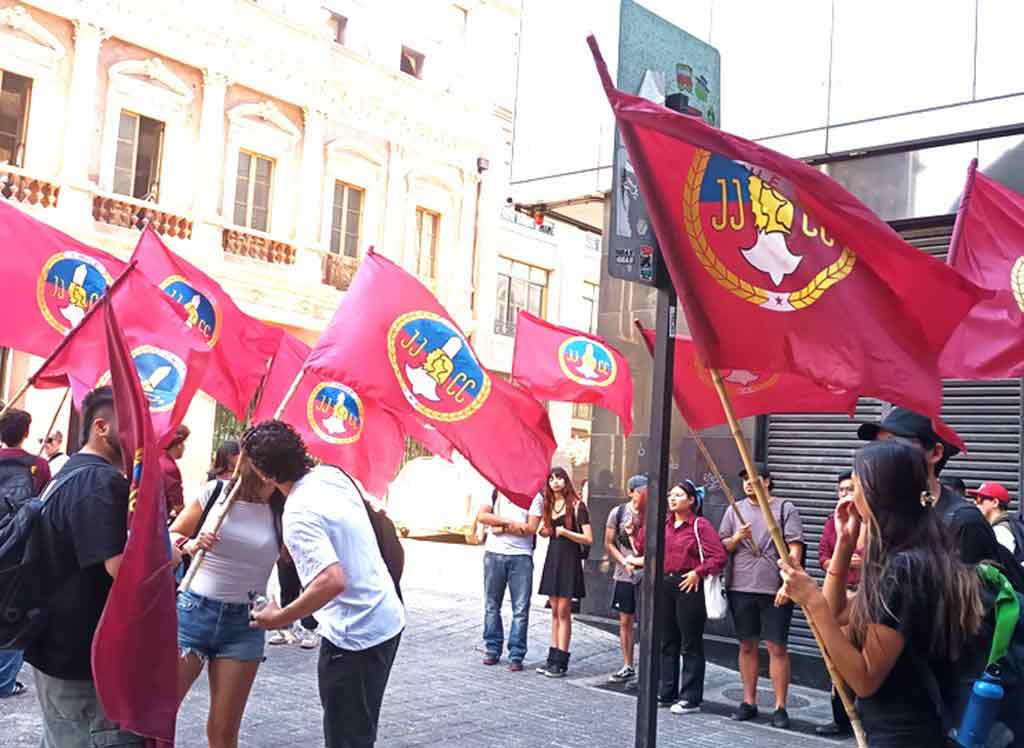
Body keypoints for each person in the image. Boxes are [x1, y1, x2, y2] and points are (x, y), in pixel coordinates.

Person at [780, 439, 984, 748]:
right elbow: (838, 614)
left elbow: (864, 679)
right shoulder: (905, 555)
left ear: (879, 493)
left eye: (856, 484)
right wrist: (845, 545)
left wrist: (810, 600)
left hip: (906, 734)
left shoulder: (904, 569)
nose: (851, 494)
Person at [246, 421, 404, 748]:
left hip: (354, 636)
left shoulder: (299, 513)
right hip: (385, 617)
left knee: (346, 737)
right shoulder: (331, 475)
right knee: (359, 727)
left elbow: (331, 581)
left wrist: (280, 617)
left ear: (264, 475)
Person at [24, 386, 143, 746]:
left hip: (58, 648)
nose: (139, 436)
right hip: (83, 659)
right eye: (132, 425)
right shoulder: (99, 481)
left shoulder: (69, 472)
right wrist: (167, 555)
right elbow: (120, 567)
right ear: (101, 427)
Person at [169, 461, 285, 748]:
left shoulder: (284, 508)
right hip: (193, 613)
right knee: (161, 713)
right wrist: (191, 543)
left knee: (223, 731)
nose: (270, 480)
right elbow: (171, 535)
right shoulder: (216, 492)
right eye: (265, 468)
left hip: (244, 624)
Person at [857, 407, 1024, 589]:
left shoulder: (964, 522)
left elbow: (978, 607)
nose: (881, 456)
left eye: (893, 443)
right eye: (877, 445)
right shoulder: (889, 516)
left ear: (935, 453)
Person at [718, 462, 804, 729]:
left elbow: (795, 549)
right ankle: (748, 701)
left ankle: (780, 706)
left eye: (753, 479)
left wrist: (787, 584)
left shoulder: (784, 508)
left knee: (777, 646)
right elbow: (722, 546)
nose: (747, 483)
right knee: (746, 644)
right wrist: (736, 537)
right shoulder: (735, 509)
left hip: (774, 589)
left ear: (767, 482)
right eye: (744, 479)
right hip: (740, 587)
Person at [654, 480, 726, 715]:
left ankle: (690, 698)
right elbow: (645, 547)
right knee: (666, 640)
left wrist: (698, 572)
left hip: (689, 585)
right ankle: (667, 692)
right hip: (665, 584)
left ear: (692, 500)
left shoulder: (700, 525)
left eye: (678, 495)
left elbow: (719, 557)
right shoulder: (664, 524)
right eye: (670, 495)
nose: (672, 499)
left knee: (690, 643)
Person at [0, 407, 51, 701]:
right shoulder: (39, 466)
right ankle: (5, 680)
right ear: (27, 433)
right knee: (15, 611)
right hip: (19, 549)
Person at [814, 470, 864, 737]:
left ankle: (864, 719)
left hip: (865, 599)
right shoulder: (832, 522)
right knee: (836, 660)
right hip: (839, 593)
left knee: (861, 659)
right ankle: (840, 718)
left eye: (849, 489)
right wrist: (838, 560)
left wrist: (862, 561)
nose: (844, 495)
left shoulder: (871, 523)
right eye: (841, 490)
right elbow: (823, 554)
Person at [475, 486, 543, 671]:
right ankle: (492, 649)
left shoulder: (533, 495)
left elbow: (531, 528)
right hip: (494, 554)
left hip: (521, 556)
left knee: (520, 609)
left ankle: (516, 654)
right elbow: (481, 516)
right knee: (491, 605)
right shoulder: (494, 490)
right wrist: (509, 523)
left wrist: (499, 527)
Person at [536, 467, 592, 678]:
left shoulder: (578, 506)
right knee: (554, 611)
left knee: (563, 611)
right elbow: (543, 531)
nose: (555, 482)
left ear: (566, 481)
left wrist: (565, 532)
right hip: (553, 559)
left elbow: (588, 539)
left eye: (559, 478)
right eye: (551, 479)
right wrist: (545, 530)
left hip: (569, 561)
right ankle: (552, 658)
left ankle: (561, 660)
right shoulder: (549, 505)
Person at [603, 474, 647, 683]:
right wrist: (623, 560)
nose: (643, 495)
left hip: (648, 573)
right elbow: (609, 543)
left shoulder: (653, 513)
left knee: (648, 621)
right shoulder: (618, 513)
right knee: (625, 620)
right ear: (631, 492)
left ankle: (648, 666)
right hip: (624, 574)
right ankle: (628, 664)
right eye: (639, 491)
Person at [968, 481, 1024, 562]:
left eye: (979, 500)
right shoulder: (1005, 525)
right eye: (975, 500)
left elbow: (1001, 564)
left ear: (995, 502)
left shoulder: (1000, 530)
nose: (975, 503)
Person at [161, 424, 190, 519]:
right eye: (184, 443)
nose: (184, 448)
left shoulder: (157, 458)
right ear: (179, 445)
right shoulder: (170, 468)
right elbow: (179, 506)